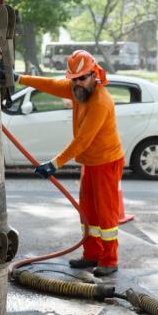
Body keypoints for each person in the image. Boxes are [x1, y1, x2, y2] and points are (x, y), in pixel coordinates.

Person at [18, 50, 125, 277]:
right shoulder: (78, 91)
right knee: (88, 212)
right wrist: (19, 78)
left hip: (106, 162)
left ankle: (109, 259)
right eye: (74, 79)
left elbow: (83, 140)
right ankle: (91, 254)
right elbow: (50, 84)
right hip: (90, 162)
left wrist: (55, 163)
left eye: (82, 78)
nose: (78, 83)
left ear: (94, 74)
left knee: (106, 215)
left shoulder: (100, 102)